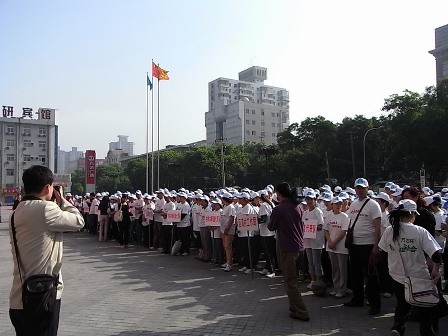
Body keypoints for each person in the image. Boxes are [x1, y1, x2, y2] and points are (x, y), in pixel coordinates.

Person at [9, 165, 85, 336]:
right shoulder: (45, 209)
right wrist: (62, 199)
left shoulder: (17, 212)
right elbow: (79, 221)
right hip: (41, 297)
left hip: (19, 298)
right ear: (47, 187)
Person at [379, 199, 441, 336]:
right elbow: (436, 254)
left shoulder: (390, 230)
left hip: (397, 276)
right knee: (424, 308)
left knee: (402, 306)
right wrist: (436, 270)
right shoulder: (420, 231)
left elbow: (383, 250)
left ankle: (398, 328)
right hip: (418, 276)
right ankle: (426, 333)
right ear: (413, 214)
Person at [268, 182, 310, 322]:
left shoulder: (279, 209)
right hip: (299, 247)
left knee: (290, 282)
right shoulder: (297, 207)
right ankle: (294, 309)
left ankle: (302, 311)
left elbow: (271, 226)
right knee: (293, 280)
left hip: (287, 249)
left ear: (279, 194)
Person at [344, 178, 382, 315]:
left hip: (368, 244)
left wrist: (376, 246)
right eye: (357, 188)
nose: (359, 190)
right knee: (356, 274)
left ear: (367, 188)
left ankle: (375, 304)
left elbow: (377, 227)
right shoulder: (353, 204)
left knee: (371, 275)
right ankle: (357, 298)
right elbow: (351, 222)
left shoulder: (373, 205)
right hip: (354, 244)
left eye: (362, 188)